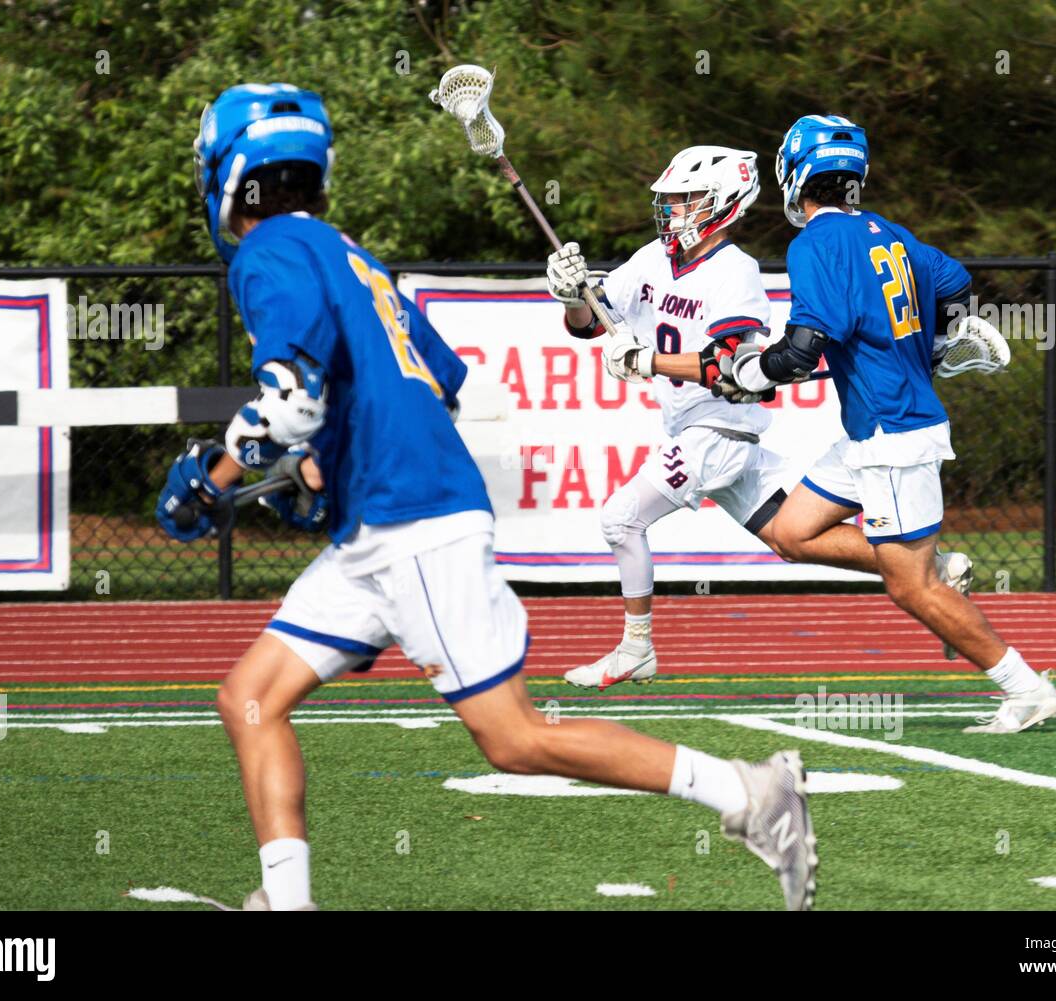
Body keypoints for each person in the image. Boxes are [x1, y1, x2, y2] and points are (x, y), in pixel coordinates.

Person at [154, 84, 818, 911]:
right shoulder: (346, 252)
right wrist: (329, 468)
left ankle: (750, 794)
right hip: (381, 518)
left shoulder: (270, 252)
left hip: (411, 520)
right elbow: (440, 382)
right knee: (252, 696)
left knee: (513, 738)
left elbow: (290, 400)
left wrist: (212, 480)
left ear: (230, 174)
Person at [547, 146, 975, 690]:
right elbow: (591, 323)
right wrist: (571, 297)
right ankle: (935, 567)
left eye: (685, 200)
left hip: (718, 430)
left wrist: (646, 360)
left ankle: (636, 647)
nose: (672, 211)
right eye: (671, 201)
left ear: (720, 202)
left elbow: (723, 366)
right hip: (694, 428)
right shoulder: (652, 258)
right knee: (791, 539)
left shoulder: (735, 271)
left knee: (620, 519)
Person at [717, 115, 1056, 734]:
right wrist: (929, 345)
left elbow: (802, 349)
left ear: (796, 176)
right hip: (868, 431)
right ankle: (940, 566)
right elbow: (955, 283)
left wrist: (749, 374)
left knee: (910, 590)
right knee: (792, 532)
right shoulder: (890, 232)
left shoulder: (815, 243)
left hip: (893, 433)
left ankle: (1024, 686)